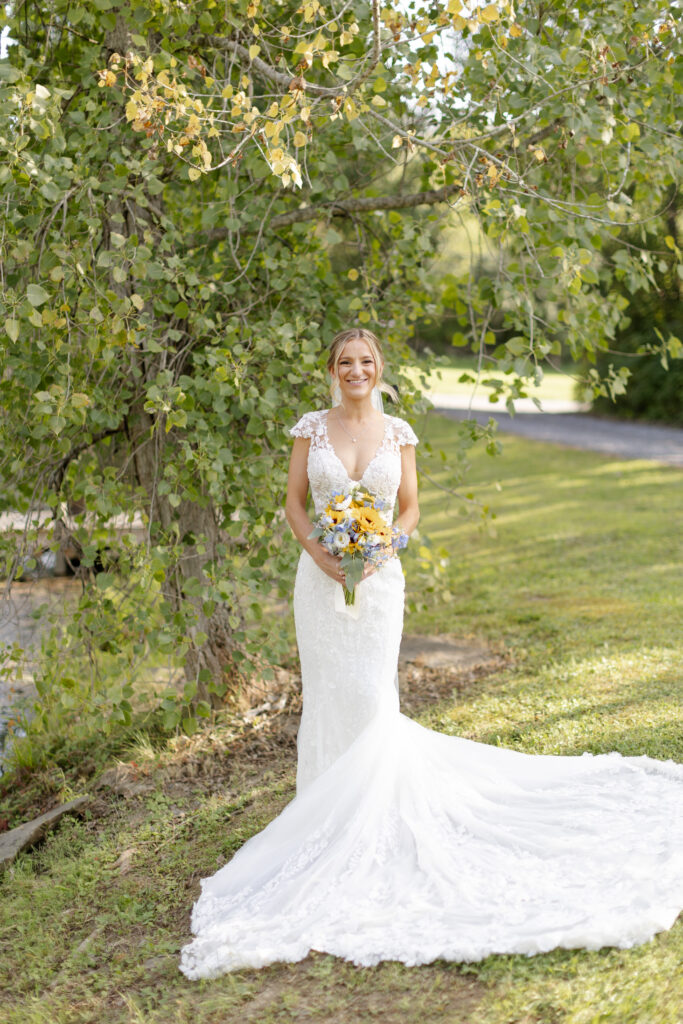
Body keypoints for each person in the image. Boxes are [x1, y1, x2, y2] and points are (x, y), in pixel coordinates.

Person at [179, 328, 683, 980]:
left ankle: (377, 818)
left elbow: (410, 508)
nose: (354, 370)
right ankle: (325, 814)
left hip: (380, 579)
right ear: (331, 370)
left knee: (369, 695)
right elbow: (293, 505)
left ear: (378, 368)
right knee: (330, 695)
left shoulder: (399, 433)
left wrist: (388, 546)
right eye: (344, 362)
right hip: (319, 583)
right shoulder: (311, 426)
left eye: (365, 361)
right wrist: (320, 554)